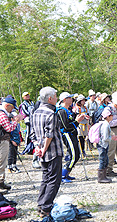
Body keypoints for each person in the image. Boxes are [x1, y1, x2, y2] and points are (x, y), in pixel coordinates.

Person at [32, 87, 62, 217]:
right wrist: (43, 149)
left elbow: (32, 134)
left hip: (41, 151)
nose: (57, 98)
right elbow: (49, 135)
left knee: (45, 178)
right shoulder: (51, 114)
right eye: (55, 96)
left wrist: (37, 148)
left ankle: (41, 205)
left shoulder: (36, 112)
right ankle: (46, 207)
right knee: (54, 180)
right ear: (50, 99)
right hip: (52, 151)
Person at [57, 92, 84, 183]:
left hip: (73, 134)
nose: (72, 99)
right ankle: (63, 175)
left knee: (77, 154)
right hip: (67, 135)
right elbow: (66, 126)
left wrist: (79, 117)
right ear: (64, 99)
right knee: (73, 155)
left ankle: (67, 172)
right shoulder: (61, 111)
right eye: (69, 98)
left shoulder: (68, 110)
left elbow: (72, 120)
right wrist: (77, 122)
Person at [0, 97, 23, 191]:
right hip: (2, 140)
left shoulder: (4, 113)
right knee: (1, 162)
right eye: (12, 107)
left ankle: (1, 182)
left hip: (3, 139)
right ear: (7, 105)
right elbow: (9, 128)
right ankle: (0, 184)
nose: (12, 110)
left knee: (3, 161)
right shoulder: (2, 114)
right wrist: (15, 121)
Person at [97, 107, 113, 183]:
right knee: (103, 160)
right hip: (103, 145)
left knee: (105, 160)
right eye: (111, 115)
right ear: (108, 117)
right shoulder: (105, 125)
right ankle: (101, 177)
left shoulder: (104, 123)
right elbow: (105, 137)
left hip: (103, 144)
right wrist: (111, 138)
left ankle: (103, 176)